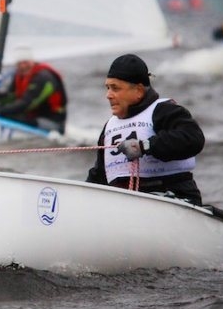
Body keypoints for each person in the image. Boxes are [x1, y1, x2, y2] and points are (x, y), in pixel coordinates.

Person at [85, 54, 204, 205]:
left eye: (115, 88)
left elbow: (193, 138)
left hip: (174, 199)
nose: (108, 95)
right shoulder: (109, 127)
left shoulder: (164, 111)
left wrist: (144, 146)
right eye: (107, 88)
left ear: (139, 91)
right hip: (127, 205)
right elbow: (99, 176)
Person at [0, 48, 67, 134]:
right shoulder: (19, 75)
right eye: (19, 63)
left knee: (5, 114)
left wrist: (0, 110)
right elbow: (11, 96)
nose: (23, 66)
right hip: (30, 116)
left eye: (26, 62)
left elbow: (28, 104)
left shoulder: (43, 78)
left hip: (52, 122)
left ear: (32, 62)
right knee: (3, 112)